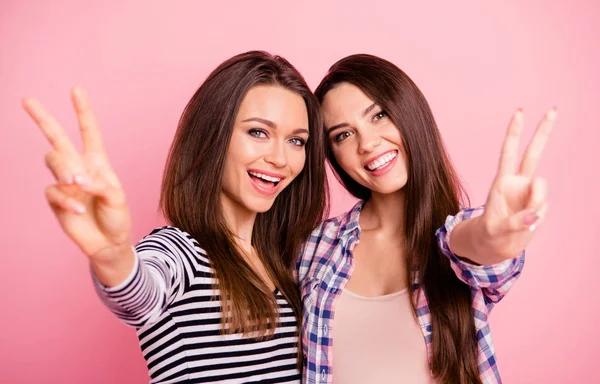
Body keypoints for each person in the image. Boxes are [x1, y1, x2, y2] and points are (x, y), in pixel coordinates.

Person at [23, 51, 328, 384]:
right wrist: (113, 257)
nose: (280, 158)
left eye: (296, 140)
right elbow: (141, 296)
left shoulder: (286, 262)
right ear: (213, 136)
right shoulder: (181, 251)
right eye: (258, 132)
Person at [298, 54, 556, 384]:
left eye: (379, 115)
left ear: (409, 112)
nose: (368, 143)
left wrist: (492, 239)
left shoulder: (455, 238)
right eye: (343, 135)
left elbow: (475, 245)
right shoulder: (315, 246)